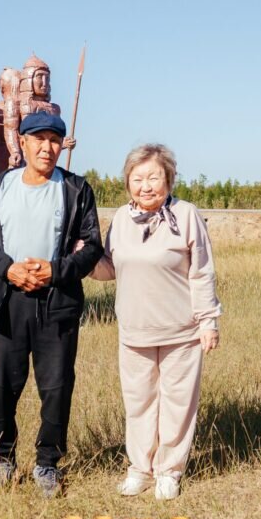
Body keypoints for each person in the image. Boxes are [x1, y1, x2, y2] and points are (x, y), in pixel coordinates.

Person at [0, 111, 102, 496]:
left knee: (57, 385)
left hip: (56, 303)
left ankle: (48, 464)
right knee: (2, 385)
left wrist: (57, 270)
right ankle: (3, 460)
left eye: (54, 140)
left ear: (62, 146)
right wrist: (7, 268)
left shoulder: (77, 190)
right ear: (23, 143)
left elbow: (93, 246)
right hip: (8, 301)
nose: (47, 148)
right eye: (39, 139)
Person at [90, 144, 221, 500]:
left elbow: (202, 272)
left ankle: (169, 471)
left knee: (178, 403)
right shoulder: (120, 219)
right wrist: (81, 257)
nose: (146, 185)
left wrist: (208, 320)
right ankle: (139, 469)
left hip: (182, 331)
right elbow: (109, 269)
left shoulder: (187, 214)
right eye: (138, 178)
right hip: (134, 331)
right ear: (127, 182)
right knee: (139, 403)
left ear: (169, 179)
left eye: (154, 177)